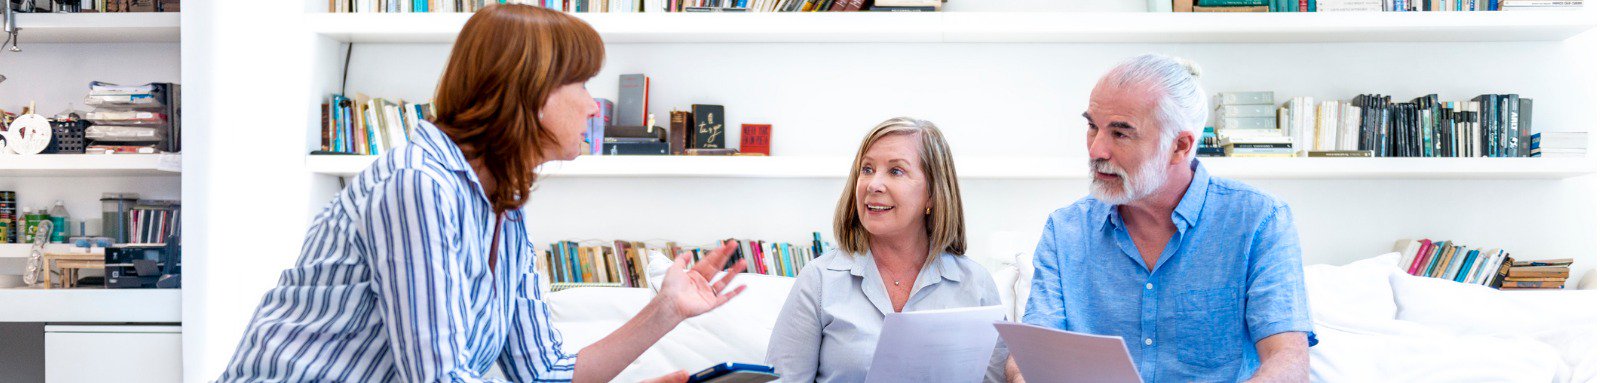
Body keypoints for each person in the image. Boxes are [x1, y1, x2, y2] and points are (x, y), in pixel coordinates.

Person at [216, 5, 746, 382]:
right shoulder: (418, 185)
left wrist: (667, 310)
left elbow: (544, 373)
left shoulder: (502, 210)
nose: (593, 107)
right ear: (532, 91)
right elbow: (437, 377)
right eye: (582, 85)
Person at [1007, 54, 1316, 383]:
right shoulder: (1065, 230)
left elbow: (1289, 361)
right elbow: (1029, 355)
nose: (1096, 150)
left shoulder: (1259, 220)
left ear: (1180, 146)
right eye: (1092, 127)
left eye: (1120, 134)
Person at [766, 117, 1007, 383]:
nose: (873, 184)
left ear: (932, 194)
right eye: (867, 169)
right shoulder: (820, 279)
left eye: (895, 171)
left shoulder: (975, 284)